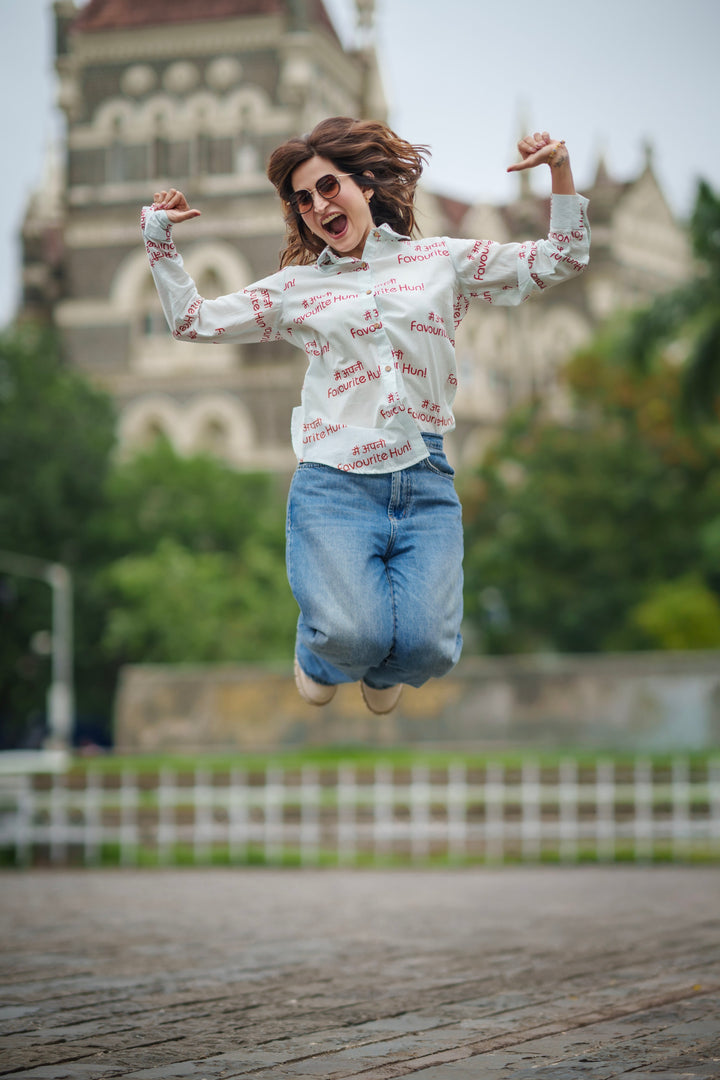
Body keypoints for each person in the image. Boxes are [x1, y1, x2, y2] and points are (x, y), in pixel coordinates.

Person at [141, 117, 590, 714]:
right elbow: (192, 320)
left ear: (365, 187)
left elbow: (561, 258)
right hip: (335, 481)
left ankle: (383, 676)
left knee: (431, 649)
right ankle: (319, 655)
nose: (318, 205)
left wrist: (558, 170)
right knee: (356, 633)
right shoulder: (295, 288)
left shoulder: (440, 261)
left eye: (329, 187)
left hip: (424, 476)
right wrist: (158, 239)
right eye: (303, 199)